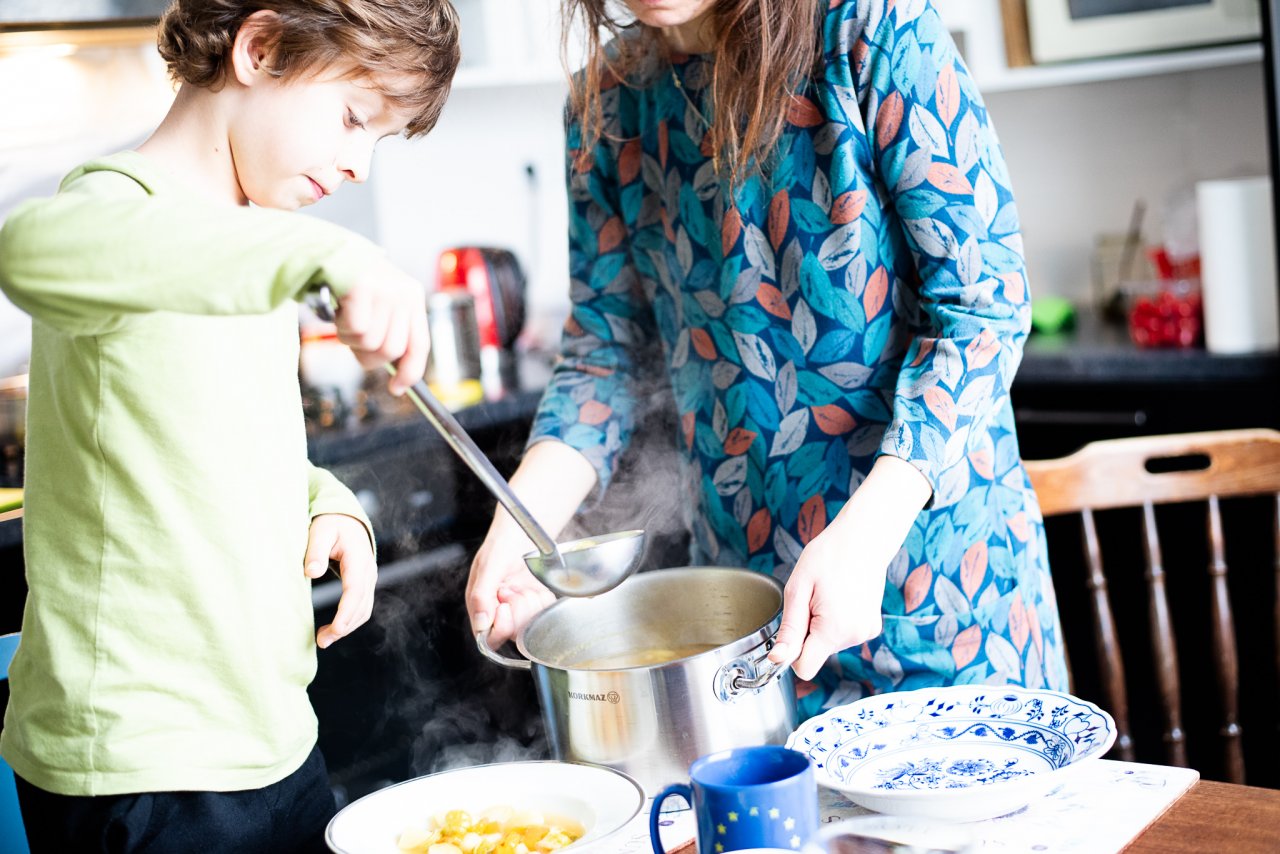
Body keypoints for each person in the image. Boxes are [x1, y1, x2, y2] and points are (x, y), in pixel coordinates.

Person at [466, 0, 1069, 715]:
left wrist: (867, 534)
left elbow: (982, 308)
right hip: (740, 625)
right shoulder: (606, 99)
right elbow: (607, 353)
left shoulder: (868, 29)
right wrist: (520, 523)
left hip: (940, 599)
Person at [0, 1, 459, 850]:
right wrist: (329, 254)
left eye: (380, 139)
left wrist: (327, 502)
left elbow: (223, 444)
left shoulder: (252, 243)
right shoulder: (117, 207)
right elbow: (26, 246)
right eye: (353, 118)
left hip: (272, 740)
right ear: (261, 47)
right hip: (143, 766)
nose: (359, 165)